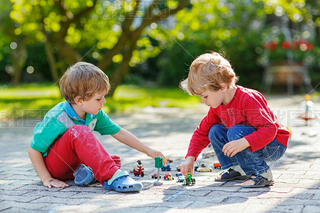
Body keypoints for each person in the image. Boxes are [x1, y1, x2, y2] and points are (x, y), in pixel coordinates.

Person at [28, 62, 166, 192]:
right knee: (80, 132)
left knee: (113, 160)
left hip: (74, 165)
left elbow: (119, 133)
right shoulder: (57, 118)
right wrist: (46, 178)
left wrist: (149, 150)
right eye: (99, 99)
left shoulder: (94, 114)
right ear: (79, 101)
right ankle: (112, 177)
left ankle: (86, 174)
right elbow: (33, 149)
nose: (104, 102)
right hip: (55, 167)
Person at [179, 52, 290, 187]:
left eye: (205, 96)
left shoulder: (248, 99)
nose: (202, 101)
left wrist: (244, 142)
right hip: (249, 141)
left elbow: (269, 129)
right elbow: (201, 132)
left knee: (234, 132)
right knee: (215, 130)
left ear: (223, 87)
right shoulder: (217, 107)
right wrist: (189, 159)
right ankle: (238, 169)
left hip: (274, 145)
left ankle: (262, 173)